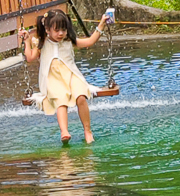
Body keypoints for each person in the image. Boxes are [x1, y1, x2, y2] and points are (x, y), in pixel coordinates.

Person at [19, 9, 111, 144]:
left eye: (63, 29)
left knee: (81, 96)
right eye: (57, 30)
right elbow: (30, 57)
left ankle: (87, 130)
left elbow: (90, 41)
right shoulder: (42, 43)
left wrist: (102, 24)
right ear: (47, 30)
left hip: (72, 76)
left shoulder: (69, 41)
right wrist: (26, 41)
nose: (61, 33)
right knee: (60, 100)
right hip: (52, 79)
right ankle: (64, 131)